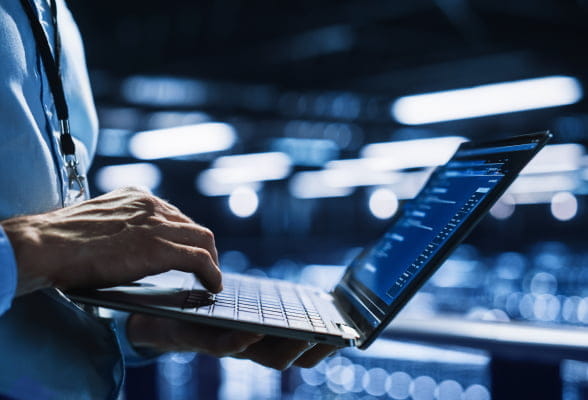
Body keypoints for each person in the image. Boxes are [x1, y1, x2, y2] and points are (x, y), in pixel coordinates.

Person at [0, 0, 336, 398]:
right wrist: (37, 245)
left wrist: (146, 326)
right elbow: (44, 254)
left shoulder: (58, 21)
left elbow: (26, 318)